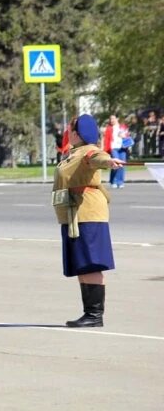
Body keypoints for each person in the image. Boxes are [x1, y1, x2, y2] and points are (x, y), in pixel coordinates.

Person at [52, 114, 124, 328]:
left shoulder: (87, 151)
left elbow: (97, 158)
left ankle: (95, 314)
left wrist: (108, 161)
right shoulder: (73, 153)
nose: (67, 133)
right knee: (83, 264)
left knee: (90, 263)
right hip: (75, 215)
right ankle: (89, 313)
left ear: (76, 133)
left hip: (87, 214)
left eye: (69, 130)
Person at [102, 114, 129, 189]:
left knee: (122, 164)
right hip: (114, 148)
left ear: (117, 119)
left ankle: (120, 182)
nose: (112, 120)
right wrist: (105, 150)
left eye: (113, 118)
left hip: (122, 148)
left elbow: (127, 136)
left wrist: (124, 136)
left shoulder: (123, 127)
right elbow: (106, 140)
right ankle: (114, 181)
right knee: (116, 164)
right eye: (110, 119)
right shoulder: (109, 128)